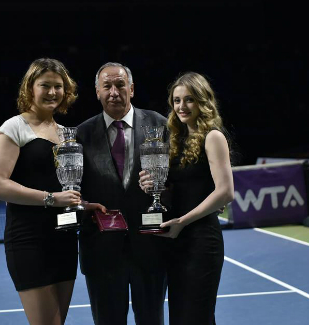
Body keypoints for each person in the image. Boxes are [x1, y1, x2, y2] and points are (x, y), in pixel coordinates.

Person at [0, 58, 104, 325]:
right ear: (30, 88)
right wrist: (51, 199)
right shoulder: (13, 128)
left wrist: (84, 204)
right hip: (28, 241)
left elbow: (62, 185)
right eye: (45, 85)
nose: (52, 92)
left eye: (58, 86)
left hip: (63, 240)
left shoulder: (65, 134)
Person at [76, 62, 168, 325]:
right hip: (102, 251)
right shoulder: (81, 134)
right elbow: (73, 190)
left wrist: (165, 189)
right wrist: (81, 205)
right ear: (97, 91)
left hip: (150, 246)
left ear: (132, 88)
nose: (114, 92)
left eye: (120, 85)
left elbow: (176, 179)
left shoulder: (159, 125)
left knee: (152, 320)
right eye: (107, 86)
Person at [139, 71, 234, 325]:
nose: (182, 106)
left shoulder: (213, 137)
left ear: (203, 101)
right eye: (177, 100)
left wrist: (183, 221)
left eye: (189, 99)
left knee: (197, 317)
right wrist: (151, 185)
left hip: (201, 240)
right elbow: (178, 189)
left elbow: (225, 191)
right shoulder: (175, 140)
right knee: (180, 317)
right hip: (176, 241)